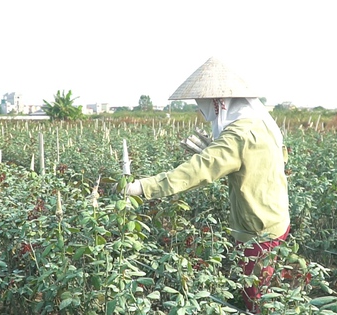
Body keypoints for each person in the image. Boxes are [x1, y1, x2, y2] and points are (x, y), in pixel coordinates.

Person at [123, 57, 290, 313]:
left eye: (202, 105)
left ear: (218, 102)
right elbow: (275, 157)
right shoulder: (261, 122)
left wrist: (142, 188)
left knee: (256, 299)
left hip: (258, 228)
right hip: (276, 218)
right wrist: (224, 155)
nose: (201, 111)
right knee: (268, 290)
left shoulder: (238, 135)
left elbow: (196, 171)